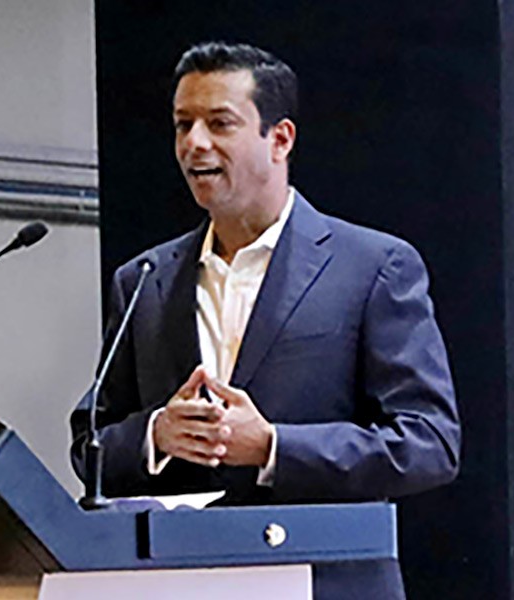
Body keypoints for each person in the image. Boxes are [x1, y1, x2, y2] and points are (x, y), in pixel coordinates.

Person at [70, 41, 461, 600]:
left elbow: (429, 443)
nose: (194, 144)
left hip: (324, 582)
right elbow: (91, 443)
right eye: (183, 125)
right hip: (181, 583)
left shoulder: (373, 267)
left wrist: (274, 447)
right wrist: (156, 434)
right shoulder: (144, 279)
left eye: (219, 123)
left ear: (280, 139)